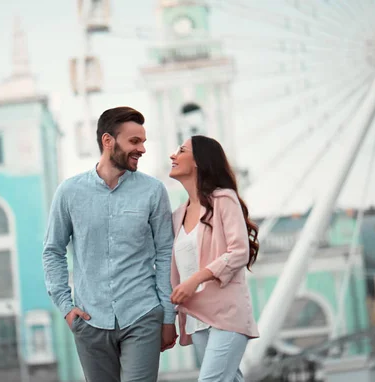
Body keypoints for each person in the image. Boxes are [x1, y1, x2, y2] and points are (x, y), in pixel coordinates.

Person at [42, 106, 178, 382]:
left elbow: (166, 253)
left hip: (142, 314)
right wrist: (66, 308)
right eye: (134, 141)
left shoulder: (153, 191)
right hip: (90, 321)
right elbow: (53, 250)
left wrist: (167, 315)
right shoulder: (69, 192)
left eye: (143, 141)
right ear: (108, 141)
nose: (142, 149)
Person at [168, 135, 260, 382]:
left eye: (182, 150)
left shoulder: (223, 199)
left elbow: (239, 251)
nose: (173, 155)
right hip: (196, 318)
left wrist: (195, 280)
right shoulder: (177, 216)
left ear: (198, 161)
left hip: (226, 314)